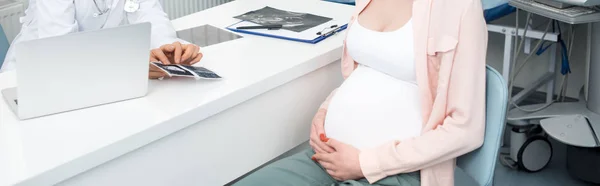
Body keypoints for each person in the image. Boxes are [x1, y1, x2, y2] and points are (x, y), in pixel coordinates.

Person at [233, 0, 488, 185]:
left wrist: (365, 163)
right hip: (328, 157)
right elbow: (367, 72)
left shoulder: (459, 7)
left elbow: (466, 130)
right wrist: (324, 112)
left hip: (397, 172)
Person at [0, 0, 202, 79]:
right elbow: (61, 50)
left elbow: (148, 14)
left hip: (90, 74)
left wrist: (168, 47)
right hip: (31, 77)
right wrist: (132, 64)